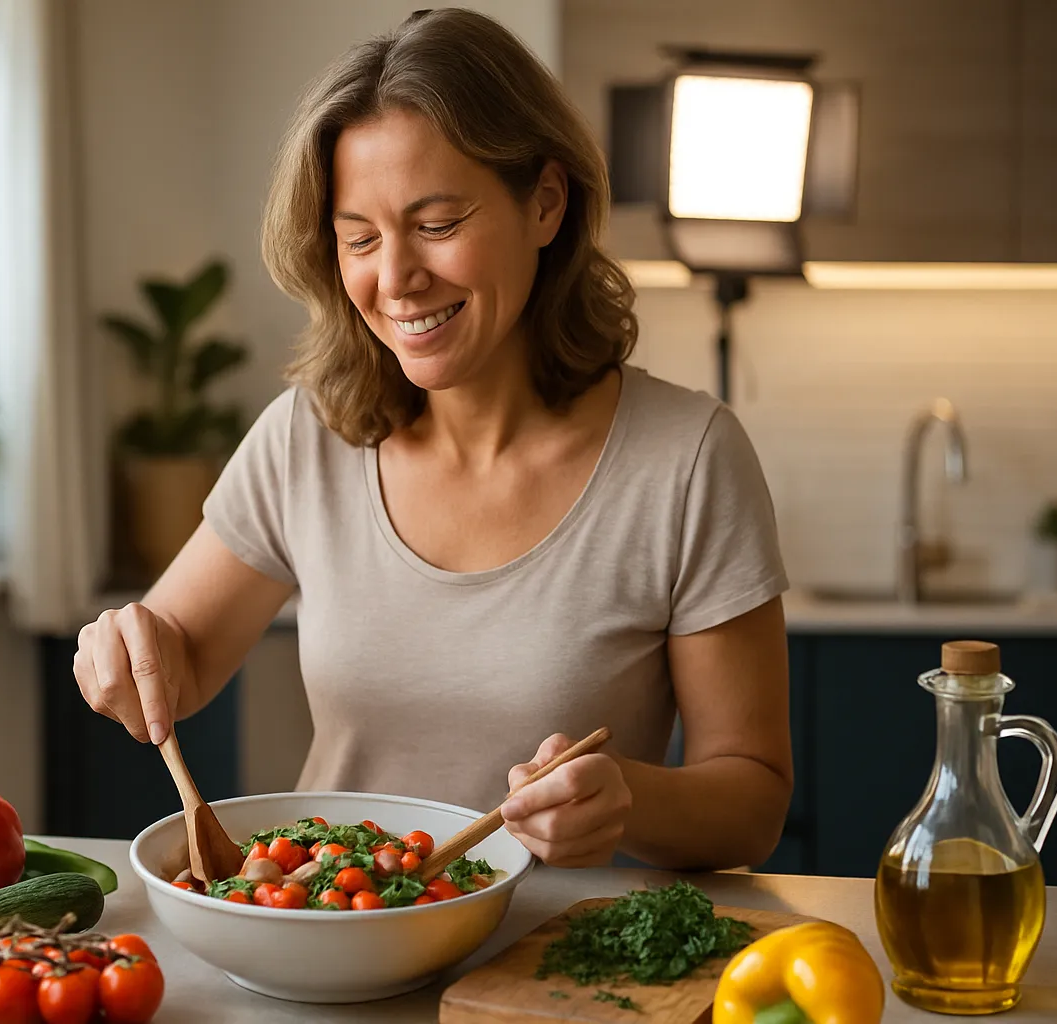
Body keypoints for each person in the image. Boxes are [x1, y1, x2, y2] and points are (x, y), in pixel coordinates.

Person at [74, 8, 792, 872]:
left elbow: (751, 801)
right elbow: (176, 663)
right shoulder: (308, 438)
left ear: (546, 204)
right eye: (360, 239)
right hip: (335, 937)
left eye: (438, 224)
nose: (397, 279)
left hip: (551, 975)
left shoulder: (687, 459)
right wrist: (123, 651)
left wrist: (629, 796)